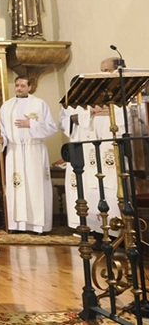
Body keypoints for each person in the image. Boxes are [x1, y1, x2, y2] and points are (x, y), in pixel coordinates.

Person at [60, 57, 124, 236]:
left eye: (105, 70)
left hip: (113, 148)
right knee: (94, 188)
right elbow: (80, 117)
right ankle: (98, 229)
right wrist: (91, 113)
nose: (102, 74)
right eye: (101, 70)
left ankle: (116, 232)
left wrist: (99, 112)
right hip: (92, 150)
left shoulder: (125, 90)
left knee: (113, 189)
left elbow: (125, 115)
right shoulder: (93, 95)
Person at [0, 76, 57, 234]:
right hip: (14, 151)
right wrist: (1, 138)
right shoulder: (6, 107)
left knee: (36, 187)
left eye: (23, 85)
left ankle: (38, 226)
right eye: (17, 85)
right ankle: (16, 225)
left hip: (34, 151)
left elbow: (51, 127)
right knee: (17, 187)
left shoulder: (39, 104)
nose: (19, 88)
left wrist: (31, 124)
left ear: (30, 87)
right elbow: (1, 129)